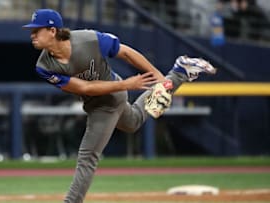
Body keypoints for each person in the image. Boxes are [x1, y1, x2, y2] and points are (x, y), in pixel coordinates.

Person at [22, 9, 216, 203]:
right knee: (133, 121)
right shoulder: (44, 66)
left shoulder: (89, 39)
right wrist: (127, 85)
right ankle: (180, 72)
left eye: (36, 30)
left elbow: (125, 53)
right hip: (101, 97)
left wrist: (157, 76)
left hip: (109, 100)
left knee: (87, 156)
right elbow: (85, 87)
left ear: (53, 31)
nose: (32, 35)